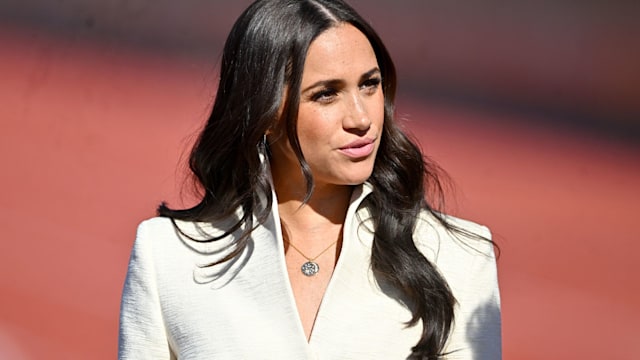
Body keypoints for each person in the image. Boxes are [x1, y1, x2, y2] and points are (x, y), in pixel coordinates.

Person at [118, 0, 501, 359]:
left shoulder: (459, 258)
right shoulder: (167, 257)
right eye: (326, 94)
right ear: (264, 112)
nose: (361, 117)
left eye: (369, 84)